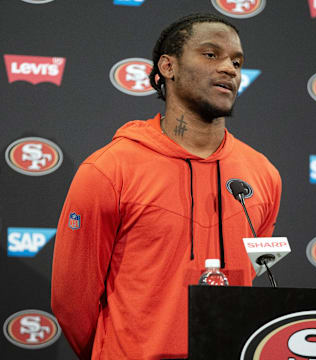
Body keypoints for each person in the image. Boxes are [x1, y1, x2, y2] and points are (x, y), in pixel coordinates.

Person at [51, 13, 282, 360]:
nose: (230, 69)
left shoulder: (263, 174)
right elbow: (73, 302)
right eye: (210, 54)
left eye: (236, 61)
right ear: (168, 67)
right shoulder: (109, 169)